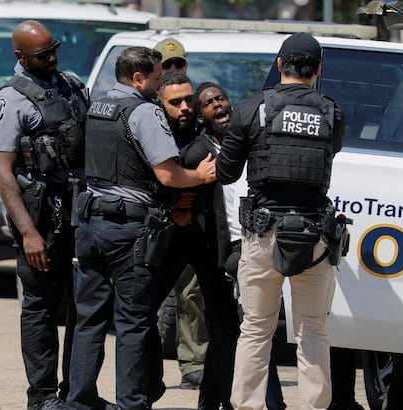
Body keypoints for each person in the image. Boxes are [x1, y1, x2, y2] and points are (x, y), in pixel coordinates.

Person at [67, 46, 216, 410]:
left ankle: (79, 401)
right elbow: (168, 174)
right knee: (133, 322)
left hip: (89, 223)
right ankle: (132, 404)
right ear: (138, 79)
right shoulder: (144, 111)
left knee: (89, 319)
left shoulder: (99, 106)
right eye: (156, 77)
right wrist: (200, 175)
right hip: (127, 230)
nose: (160, 82)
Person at [217, 32, 345, 409]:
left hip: (263, 234)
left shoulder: (251, 109)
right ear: (318, 69)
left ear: (279, 65)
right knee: (313, 331)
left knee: (256, 330)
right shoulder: (331, 112)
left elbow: (225, 172)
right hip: (313, 236)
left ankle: (247, 406)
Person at [0, 20, 88, 410]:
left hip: (81, 211)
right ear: (21, 56)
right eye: (43, 54)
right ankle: (42, 396)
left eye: (54, 48)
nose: (53, 57)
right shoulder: (10, 100)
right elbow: (3, 173)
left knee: (85, 306)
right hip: (42, 217)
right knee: (41, 307)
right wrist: (28, 233)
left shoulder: (72, 84)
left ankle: (78, 392)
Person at [180, 81, 240, 410]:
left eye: (221, 98)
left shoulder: (240, 144)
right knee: (224, 327)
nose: (217, 104)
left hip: (241, 249)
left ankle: (208, 401)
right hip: (212, 255)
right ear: (201, 116)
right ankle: (228, 401)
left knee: (225, 329)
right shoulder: (196, 153)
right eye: (208, 102)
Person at [156, 70, 209, 391]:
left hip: (195, 226)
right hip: (156, 226)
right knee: (145, 300)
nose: (185, 107)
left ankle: (194, 363)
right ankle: (147, 372)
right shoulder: (151, 129)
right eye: (175, 102)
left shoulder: (201, 131)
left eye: (189, 100)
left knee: (191, 294)